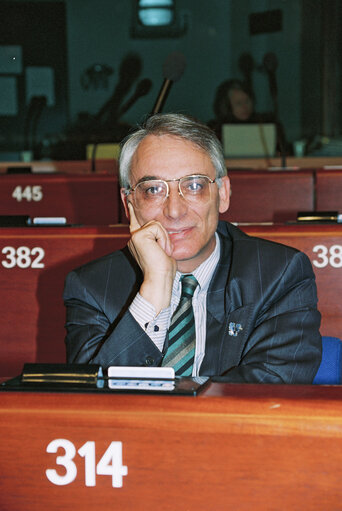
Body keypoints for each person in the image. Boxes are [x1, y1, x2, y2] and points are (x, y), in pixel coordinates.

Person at [63, 113, 321, 383]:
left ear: (222, 194)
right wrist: (153, 291)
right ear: (129, 204)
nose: (174, 210)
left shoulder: (278, 274)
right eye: (153, 190)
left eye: (194, 185)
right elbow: (91, 399)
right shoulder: (92, 287)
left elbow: (269, 393)